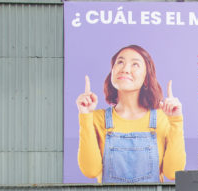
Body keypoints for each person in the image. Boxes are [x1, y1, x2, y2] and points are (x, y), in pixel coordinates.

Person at [76, 44, 185, 183]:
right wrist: (85, 115)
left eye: (135, 64)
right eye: (120, 62)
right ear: (112, 72)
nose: (125, 69)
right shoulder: (97, 118)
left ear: (146, 77)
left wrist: (176, 121)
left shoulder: (163, 118)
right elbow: (90, 171)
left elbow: (173, 173)